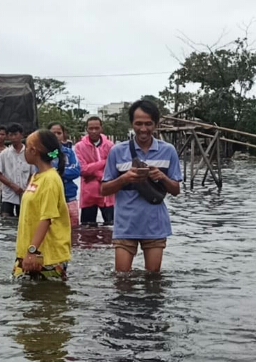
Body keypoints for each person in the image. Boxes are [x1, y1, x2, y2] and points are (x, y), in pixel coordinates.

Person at [101, 100, 182, 273]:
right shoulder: (117, 151)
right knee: (122, 279)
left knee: (153, 280)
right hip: (125, 224)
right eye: (138, 124)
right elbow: (104, 189)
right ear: (132, 124)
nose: (143, 129)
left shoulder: (168, 151)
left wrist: (162, 177)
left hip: (155, 224)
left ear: (156, 124)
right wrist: (125, 179)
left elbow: (176, 190)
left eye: (148, 124)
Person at [14, 129, 72, 281]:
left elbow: (47, 219)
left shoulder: (51, 180)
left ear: (34, 151)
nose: (25, 151)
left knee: (49, 300)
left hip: (46, 256)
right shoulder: (36, 176)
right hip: (29, 253)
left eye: (27, 147)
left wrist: (32, 251)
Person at [75, 117, 115, 226]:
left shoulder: (110, 146)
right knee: (87, 231)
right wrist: (104, 162)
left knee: (112, 229)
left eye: (96, 128)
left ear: (101, 128)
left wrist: (93, 172)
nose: (94, 131)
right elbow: (83, 169)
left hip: (107, 194)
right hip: (89, 194)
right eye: (91, 128)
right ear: (86, 129)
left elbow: (113, 167)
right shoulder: (79, 147)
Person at [0, 123, 35, 218]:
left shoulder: (29, 153)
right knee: (5, 221)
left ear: (22, 135)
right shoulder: (4, 154)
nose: (13, 137)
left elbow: (33, 174)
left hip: (25, 193)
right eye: (11, 135)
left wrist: (28, 188)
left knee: (23, 220)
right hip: (8, 195)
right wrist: (13, 186)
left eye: (15, 134)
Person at [48, 123, 81, 227]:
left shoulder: (69, 153)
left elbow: (76, 170)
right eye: (53, 133)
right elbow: (42, 172)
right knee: (53, 228)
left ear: (63, 134)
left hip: (69, 196)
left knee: (73, 228)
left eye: (59, 133)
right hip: (51, 197)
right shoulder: (45, 154)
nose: (56, 135)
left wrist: (57, 172)